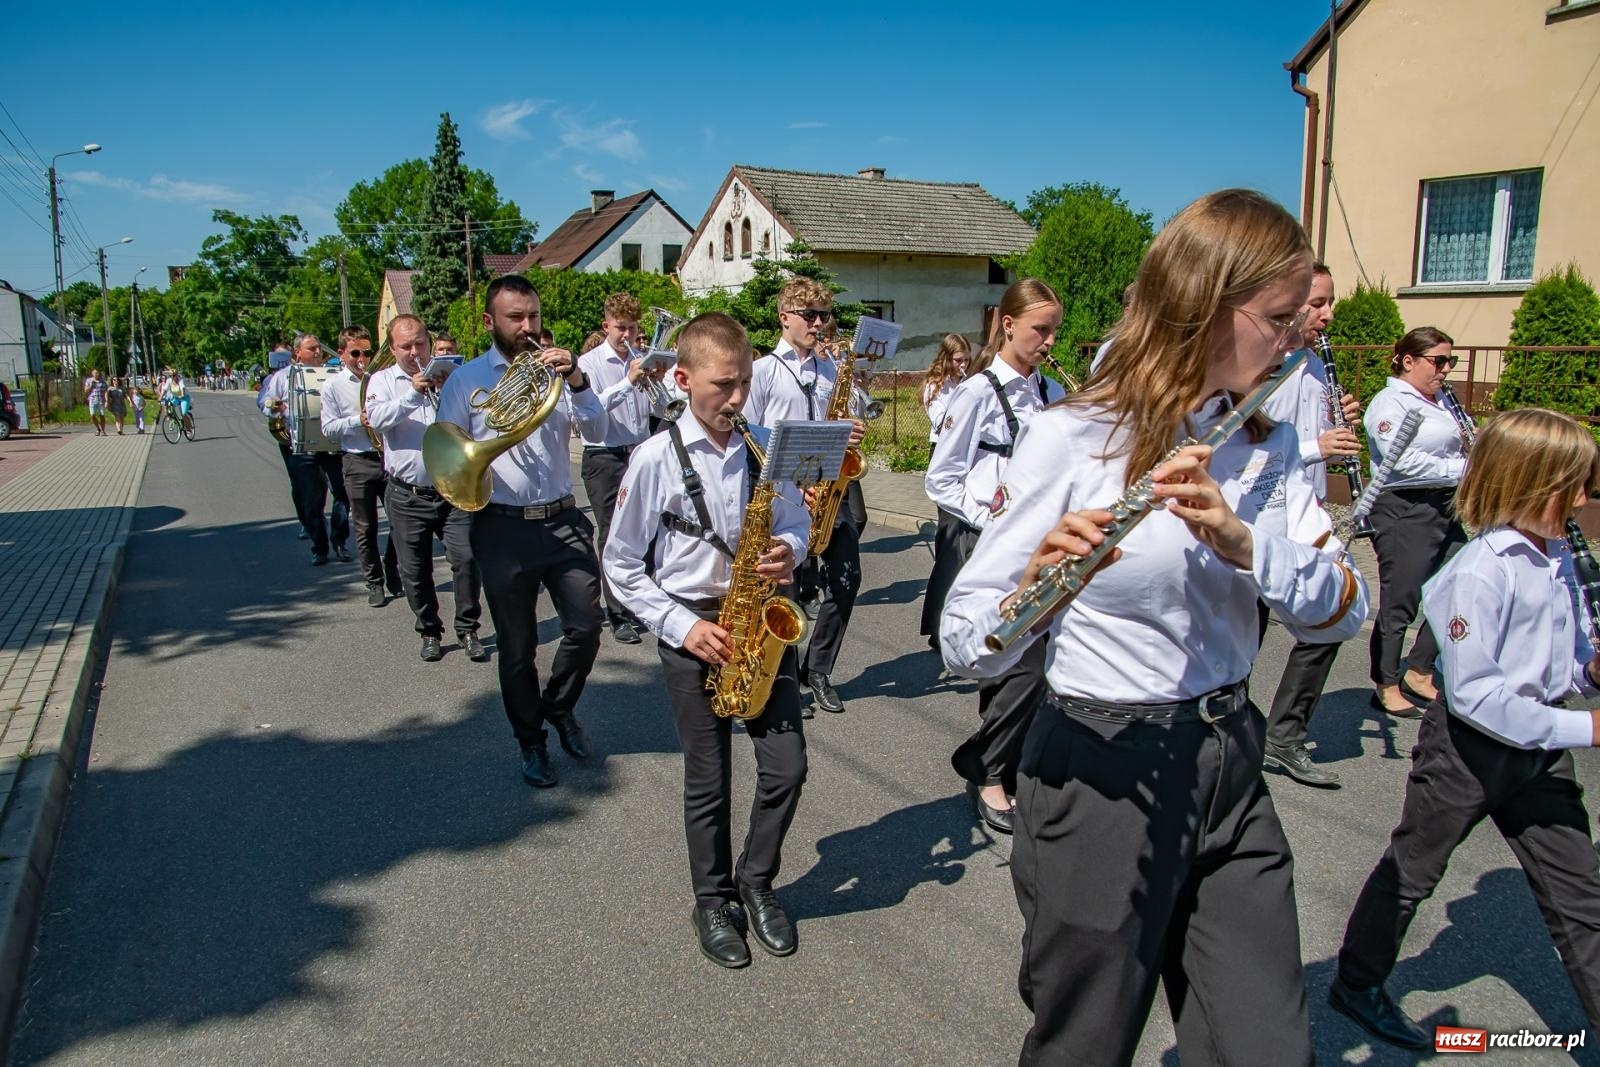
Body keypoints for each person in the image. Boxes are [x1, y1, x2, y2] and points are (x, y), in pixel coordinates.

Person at [943, 189, 1369, 1066]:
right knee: (1086, 1043)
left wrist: (1246, 541)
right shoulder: (1073, 435)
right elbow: (961, 639)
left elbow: (1345, 605)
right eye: (1283, 319)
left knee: (1267, 1047)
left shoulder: (1268, 441)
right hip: (1105, 766)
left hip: (1228, 756)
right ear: (1209, 307)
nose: (1300, 339)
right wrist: (1038, 590)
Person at [1331, 407, 1600, 1050]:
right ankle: (1357, 983)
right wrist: (1588, 727)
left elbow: (1563, 660)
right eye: (1576, 484)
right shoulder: (1481, 569)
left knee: (1583, 898)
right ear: (1530, 484)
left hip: (1540, 745)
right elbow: (1479, 696)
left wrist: (1592, 672)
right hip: (1471, 753)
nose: (1587, 499)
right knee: (1415, 870)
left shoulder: (1560, 555)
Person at [602, 311, 808, 969]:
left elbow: (800, 520)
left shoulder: (766, 442)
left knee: (788, 767)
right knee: (708, 777)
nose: (738, 399)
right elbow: (621, 562)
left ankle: (756, 880)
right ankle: (712, 899)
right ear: (683, 379)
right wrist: (682, 626)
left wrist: (790, 549)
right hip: (691, 626)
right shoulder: (655, 457)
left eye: (745, 381)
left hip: (758, 619)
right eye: (724, 385)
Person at [435, 275, 607, 787]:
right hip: (501, 527)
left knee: (586, 627)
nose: (528, 326)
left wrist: (577, 380)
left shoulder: (557, 373)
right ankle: (530, 742)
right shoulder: (465, 381)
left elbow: (597, 433)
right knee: (517, 647)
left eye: (532, 315)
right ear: (491, 322)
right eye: (516, 318)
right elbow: (447, 458)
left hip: (561, 519)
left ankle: (558, 706)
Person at [925, 280, 1068, 832]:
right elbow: (943, 478)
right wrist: (999, 521)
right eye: (1041, 330)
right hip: (988, 543)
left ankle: (1006, 765)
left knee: (1041, 666)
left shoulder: (1053, 391)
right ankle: (987, 772)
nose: (1050, 341)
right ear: (1007, 325)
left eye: (1054, 330)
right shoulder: (977, 393)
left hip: (1044, 549)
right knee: (1014, 662)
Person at [1257, 264, 1363, 787]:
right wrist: (1314, 446)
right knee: (1240, 638)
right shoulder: (1263, 369)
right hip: (1262, 522)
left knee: (1326, 623)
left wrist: (1339, 423)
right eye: (1318, 302)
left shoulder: (1318, 365)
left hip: (1309, 517)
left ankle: (1285, 733)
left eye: (1329, 301)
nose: (1328, 313)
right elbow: (1248, 456)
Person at [744, 277, 866, 717]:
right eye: (809, 315)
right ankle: (784, 676)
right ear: (785, 317)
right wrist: (794, 475)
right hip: (785, 495)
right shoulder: (762, 372)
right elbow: (750, 438)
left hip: (830, 492)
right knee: (786, 590)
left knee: (847, 582)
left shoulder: (832, 369)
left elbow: (850, 418)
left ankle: (818, 668)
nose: (819, 323)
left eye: (823, 315)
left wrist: (852, 429)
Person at [365, 314, 488, 663]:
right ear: (393, 349)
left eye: (420, 343)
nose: (414, 351)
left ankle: (468, 628)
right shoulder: (383, 381)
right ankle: (430, 630)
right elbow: (375, 419)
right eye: (406, 346)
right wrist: (411, 393)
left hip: (453, 490)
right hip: (408, 493)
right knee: (414, 570)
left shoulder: (449, 377)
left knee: (466, 558)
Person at [1364, 326, 1470, 716]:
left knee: (1459, 584)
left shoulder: (1442, 399)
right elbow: (1401, 463)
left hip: (1444, 506)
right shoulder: (1390, 403)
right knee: (1401, 601)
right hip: (1403, 507)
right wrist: (1463, 468)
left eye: (1450, 361)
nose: (1445, 369)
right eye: (1438, 361)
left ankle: (1420, 669)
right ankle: (1386, 682)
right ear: (1409, 361)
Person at [576, 293, 657, 645]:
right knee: (612, 535)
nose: (626, 334)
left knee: (648, 530)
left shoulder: (642, 358)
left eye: (633, 328)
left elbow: (659, 404)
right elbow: (590, 410)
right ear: (606, 325)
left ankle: (642, 605)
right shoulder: (588, 363)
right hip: (604, 457)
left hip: (639, 451)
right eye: (620, 327)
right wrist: (628, 382)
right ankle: (617, 613)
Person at [319, 326, 402, 608]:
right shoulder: (333, 386)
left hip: (386, 458)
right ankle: (374, 581)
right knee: (365, 526)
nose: (362, 359)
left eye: (367, 352)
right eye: (355, 353)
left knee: (399, 521)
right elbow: (329, 429)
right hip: (357, 459)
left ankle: (392, 569)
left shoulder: (380, 379)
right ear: (342, 354)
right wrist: (358, 420)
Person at [261, 334, 352, 565]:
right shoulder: (283, 377)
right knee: (311, 500)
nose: (318, 352)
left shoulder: (334, 374)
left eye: (319, 348)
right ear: (298, 352)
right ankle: (319, 547)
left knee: (342, 493)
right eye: (312, 349)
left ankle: (340, 541)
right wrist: (277, 407)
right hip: (302, 447)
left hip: (332, 445)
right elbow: (265, 402)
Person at [920, 333, 971, 446]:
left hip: (965, 445)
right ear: (947, 359)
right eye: (958, 360)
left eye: (966, 360)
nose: (963, 365)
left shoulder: (971, 382)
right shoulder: (934, 386)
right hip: (942, 445)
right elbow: (940, 424)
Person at [84, 369, 107, 436]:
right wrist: (91, 385)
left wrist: (106, 401)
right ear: (92, 374)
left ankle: (103, 430)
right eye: (95, 373)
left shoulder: (102, 381)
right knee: (92, 415)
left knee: (102, 415)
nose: (97, 374)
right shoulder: (89, 380)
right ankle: (98, 428)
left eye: (98, 373)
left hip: (101, 400)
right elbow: (85, 390)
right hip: (92, 400)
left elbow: (105, 391)